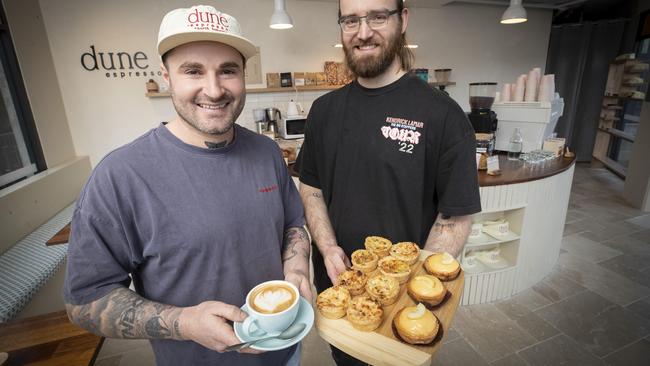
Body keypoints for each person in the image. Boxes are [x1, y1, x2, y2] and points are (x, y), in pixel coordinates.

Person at [63, 5, 311, 366]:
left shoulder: (266, 152)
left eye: (228, 70)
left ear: (243, 75)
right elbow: (85, 301)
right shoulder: (120, 176)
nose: (214, 89)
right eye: (193, 71)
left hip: (285, 353)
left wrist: (298, 268)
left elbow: (292, 225)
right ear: (166, 78)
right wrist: (183, 323)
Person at [297, 0, 481, 364]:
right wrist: (329, 247)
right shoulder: (323, 111)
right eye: (351, 20)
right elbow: (312, 188)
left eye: (377, 16)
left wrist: (412, 294)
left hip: (401, 302)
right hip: (340, 291)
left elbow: (454, 216)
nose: (363, 32)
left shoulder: (443, 115)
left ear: (404, 20)